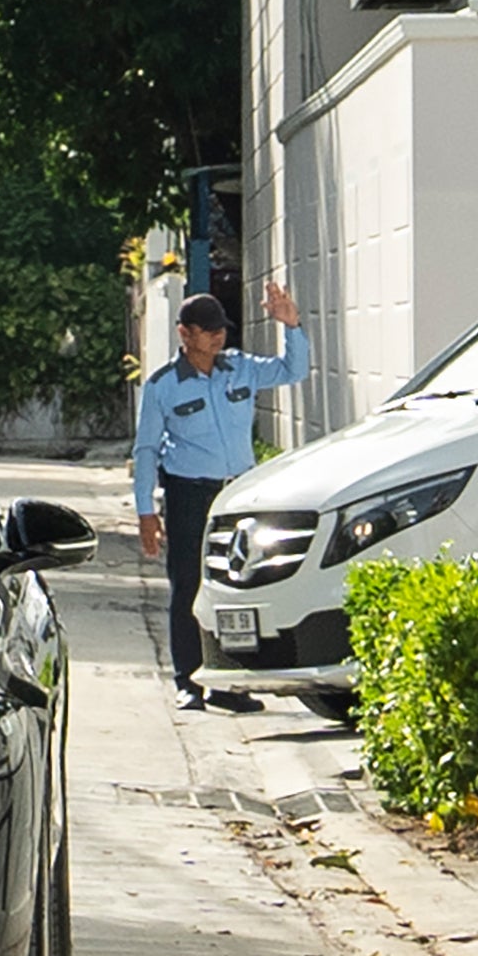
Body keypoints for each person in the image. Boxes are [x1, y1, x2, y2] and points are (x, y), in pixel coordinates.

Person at [133, 282, 309, 712]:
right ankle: (189, 682)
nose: (217, 336)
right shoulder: (163, 386)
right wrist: (145, 513)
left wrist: (292, 326)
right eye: (207, 330)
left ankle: (229, 684)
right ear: (184, 333)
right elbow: (146, 450)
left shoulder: (241, 369)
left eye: (220, 329)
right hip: (189, 494)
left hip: (238, 495)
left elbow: (293, 370)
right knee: (189, 587)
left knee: (235, 586)